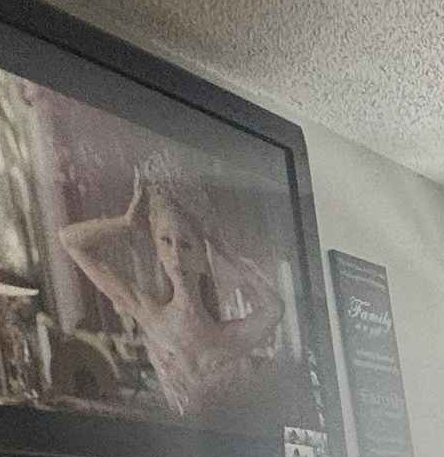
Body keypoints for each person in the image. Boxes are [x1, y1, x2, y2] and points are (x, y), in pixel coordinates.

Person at [59, 166, 284, 416]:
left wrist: (223, 248)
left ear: (202, 256)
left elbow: (275, 309)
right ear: (158, 250)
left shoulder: (229, 338)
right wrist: (125, 222)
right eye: (166, 242)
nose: (176, 256)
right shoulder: (149, 316)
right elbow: (70, 242)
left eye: (186, 245)